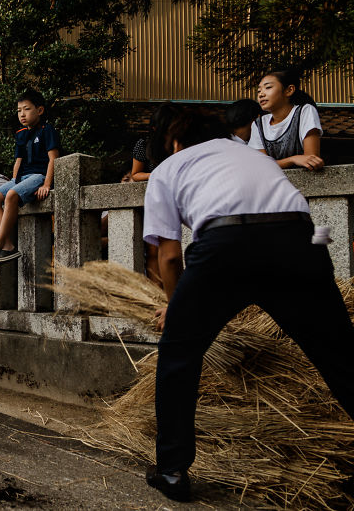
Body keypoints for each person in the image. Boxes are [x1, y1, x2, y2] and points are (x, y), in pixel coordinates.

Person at [141, 110, 354, 502]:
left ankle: (171, 470)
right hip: (299, 241)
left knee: (179, 355)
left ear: (175, 143)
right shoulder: (254, 156)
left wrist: (178, 308)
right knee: (342, 355)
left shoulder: (169, 167)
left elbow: (169, 257)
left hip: (226, 246)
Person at [0, 89, 61, 267]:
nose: (22, 114)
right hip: (21, 178)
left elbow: (53, 159)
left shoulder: (47, 130)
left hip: (38, 176)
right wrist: (14, 181)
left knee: (12, 195)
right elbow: (18, 161)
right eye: (19, 110)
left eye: (27, 109)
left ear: (40, 110)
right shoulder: (21, 133)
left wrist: (46, 184)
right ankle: (8, 246)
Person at [250, 69, 324, 170]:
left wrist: (275, 164)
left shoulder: (304, 112)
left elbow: (312, 160)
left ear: (289, 90)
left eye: (268, 87)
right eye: (259, 91)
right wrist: (292, 160)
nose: (261, 94)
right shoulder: (259, 124)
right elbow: (260, 165)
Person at [131, 103, 180, 182]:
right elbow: (135, 175)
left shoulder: (183, 142)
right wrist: (156, 175)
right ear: (155, 128)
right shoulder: (144, 144)